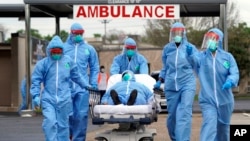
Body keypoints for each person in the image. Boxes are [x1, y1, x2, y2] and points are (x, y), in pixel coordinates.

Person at [30, 35, 89, 141]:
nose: (56, 54)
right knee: (50, 122)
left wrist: (85, 85)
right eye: (54, 52)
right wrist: (35, 95)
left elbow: (76, 76)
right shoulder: (43, 64)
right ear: (49, 51)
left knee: (63, 125)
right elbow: (36, 80)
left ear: (62, 51)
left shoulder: (68, 62)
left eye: (58, 52)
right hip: (48, 98)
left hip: (64, 98)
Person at [186, 28, 239, 141]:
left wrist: (230, 81)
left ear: (218, 41)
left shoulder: (227, 57)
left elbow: (234, 72)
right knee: (209, 124)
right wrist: (190, 54)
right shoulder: (202, 57)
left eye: (213, 39)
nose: (210, 41)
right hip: (208, 99)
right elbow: (194, 61)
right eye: (208, 38)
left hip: (225, 100)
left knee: (223, 130)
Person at [154, 22, 198, 141]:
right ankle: (175, 138)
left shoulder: (190, 48)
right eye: (175, 33)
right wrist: (160, 79)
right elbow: (165, 67)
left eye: (179, 33)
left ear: (184, 34)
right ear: (171, 34)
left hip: (187, 83)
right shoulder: (167, 49)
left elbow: (198, 64)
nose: (177, 35)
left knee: (185, 112)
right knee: (172, 116)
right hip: (171, 85)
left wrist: (192, 55)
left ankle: (183, 139)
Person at [64, 22, 99, 141]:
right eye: (76, 33)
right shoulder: (63, 48)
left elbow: (94, 67)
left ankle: (78, 139)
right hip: (66, 87)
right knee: (66, 114)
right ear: (71, 33)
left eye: (81, 33)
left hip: (83, 87)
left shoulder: (89, 49)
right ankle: (67, 136)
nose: (78, 36)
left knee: (81, 115)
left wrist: (93, 82)